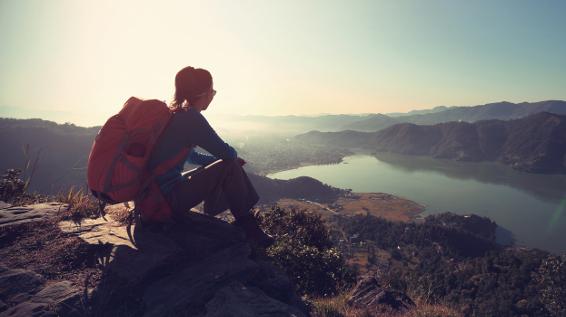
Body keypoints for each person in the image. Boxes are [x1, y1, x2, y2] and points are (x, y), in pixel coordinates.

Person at [147, 66, 273, 247]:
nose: (213, 97)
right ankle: (247, 224)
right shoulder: (190, 118)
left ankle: (245, 221)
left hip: (153, 193)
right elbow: (227, 152)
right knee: (230, 165)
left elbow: (194, 157)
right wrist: (230, 161)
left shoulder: (174, 114)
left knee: (227, 165)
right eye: (212, 92)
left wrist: (220, 163)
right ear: (204, 93)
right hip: (165, 200)